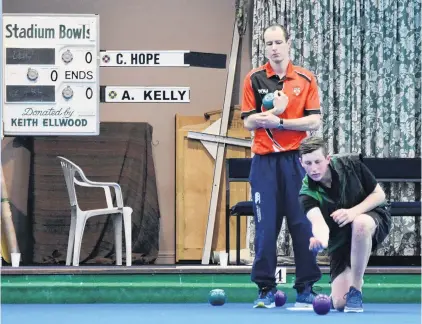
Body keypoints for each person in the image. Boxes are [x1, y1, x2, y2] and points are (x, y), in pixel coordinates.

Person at [241, 23, 322, 308]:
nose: (274, 48)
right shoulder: (253, 78)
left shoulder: (305, 78)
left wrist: (282, 122)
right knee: (265, 227)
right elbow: (248, 121)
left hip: (296, 163)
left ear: (289, 44)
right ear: (265, 47)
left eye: (278, 42)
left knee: (302, 225)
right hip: (264, 163)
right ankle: (265, 287)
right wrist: (269, 115)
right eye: (268, 43)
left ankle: (305, 287)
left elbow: (314, 121)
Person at [298, 136, 392, 313]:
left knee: (360, 223)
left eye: (318, 161)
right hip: (340, 238)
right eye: (308, 163)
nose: (314, 168)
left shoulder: (350, 164)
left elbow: (379, 195)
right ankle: (342, 291)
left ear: (328, 159)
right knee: (340, 303)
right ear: (301, 163)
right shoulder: (306, 193)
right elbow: (319, 223)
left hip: (372, 218)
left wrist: (352, 212)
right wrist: (321, 241)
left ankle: (356, 289)